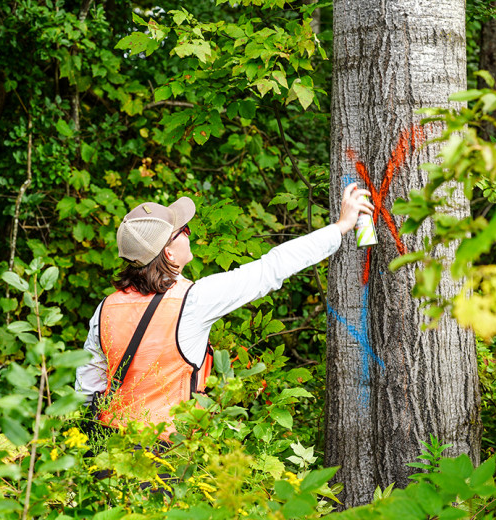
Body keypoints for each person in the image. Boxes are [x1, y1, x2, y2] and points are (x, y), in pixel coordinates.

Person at [74, 183, 373, 442]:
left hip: (110, 453)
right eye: (184, 231)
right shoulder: (193, 301)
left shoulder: (105, 309)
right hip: (170, 454)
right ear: (168, 252)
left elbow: (87, 389)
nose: (189, 235)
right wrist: (341, 227)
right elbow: (271, 268)